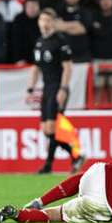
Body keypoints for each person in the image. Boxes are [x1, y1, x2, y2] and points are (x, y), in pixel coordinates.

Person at [28, 9, 83, 174]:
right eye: (42, 20)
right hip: (47, 88)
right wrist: (30, 87)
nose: (44, 23)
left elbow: (68, 67)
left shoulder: (60, 41)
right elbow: (36, 67)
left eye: (47, 20)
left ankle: (48, 165)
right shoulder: (39, 42)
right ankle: (76, 156)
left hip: (57, 87)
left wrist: (63, 89)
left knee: (52, 127)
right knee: (46, 129)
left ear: (52, 23)